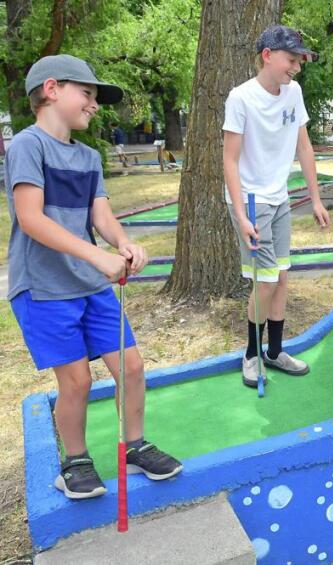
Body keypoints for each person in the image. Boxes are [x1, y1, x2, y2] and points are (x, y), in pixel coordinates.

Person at [4, 54, 182, 499]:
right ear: (51, 89)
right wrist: (96, 256)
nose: (94, 104)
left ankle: (134, 446)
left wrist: (121, 244)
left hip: (89, 283)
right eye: (87, 93)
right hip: (44, 288)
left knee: (132, 365)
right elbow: (31, 219)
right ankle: (76, 461)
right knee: (78, 380)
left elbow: (100, 215)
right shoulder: (28, 145)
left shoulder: (87, 155)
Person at [222, 25, 331, 388]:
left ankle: (275, 351)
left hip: (279, 197)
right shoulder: (240, 98)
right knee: (265, 281)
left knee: (282, 276)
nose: (297, 67)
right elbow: (230, 160)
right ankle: (251, 355)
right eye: (291, 59)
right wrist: (240, 213)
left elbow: (304, 147)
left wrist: (315, 198)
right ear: (267, 56)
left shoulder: (293, 92)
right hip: (251, 200)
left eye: (299, 60)